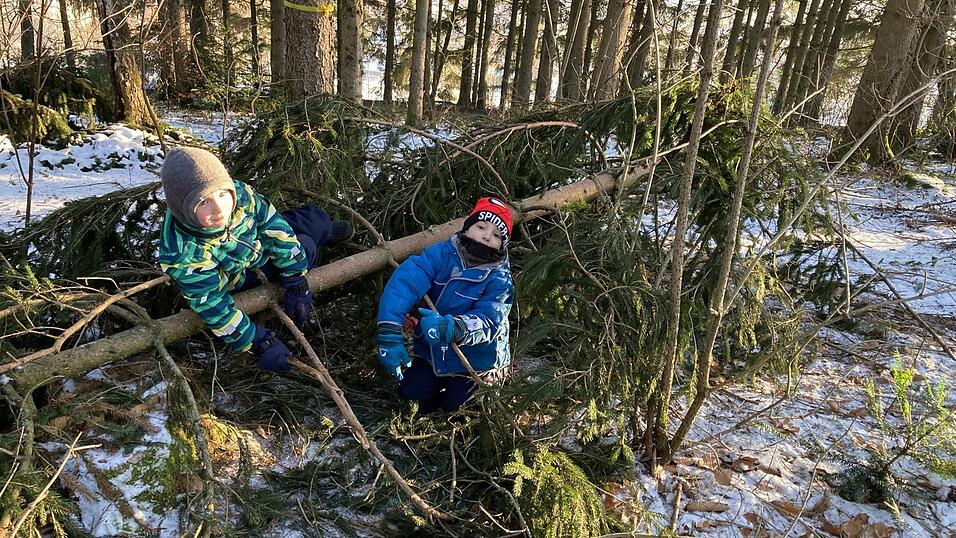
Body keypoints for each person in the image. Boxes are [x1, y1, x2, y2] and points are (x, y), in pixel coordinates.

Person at [157, 147, 352, 372]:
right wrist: (258, 342)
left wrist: (295, 279)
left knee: (313, 221)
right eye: (203, 202)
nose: (219, 208)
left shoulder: (239, 195)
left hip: (256, 241)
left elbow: (272, 225)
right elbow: (214, 307)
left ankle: (325, 231)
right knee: (306, 246)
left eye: (222, 194)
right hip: (241, 273)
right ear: (184, 209)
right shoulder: (185, 254)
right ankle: (314, 241)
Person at [375, 197, 514, 413]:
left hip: (477, 361)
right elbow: (406, 282)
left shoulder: (500, 280)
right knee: (412, 397)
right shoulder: (441, 254)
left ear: (502, 244)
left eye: (497, 235)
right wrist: (389, 330)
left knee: (460, 408)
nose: (487, 236)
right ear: (467, 228)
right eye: (481, 227)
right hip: (433, 351)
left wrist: (455, 328)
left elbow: (491, 319)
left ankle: (479, 390)